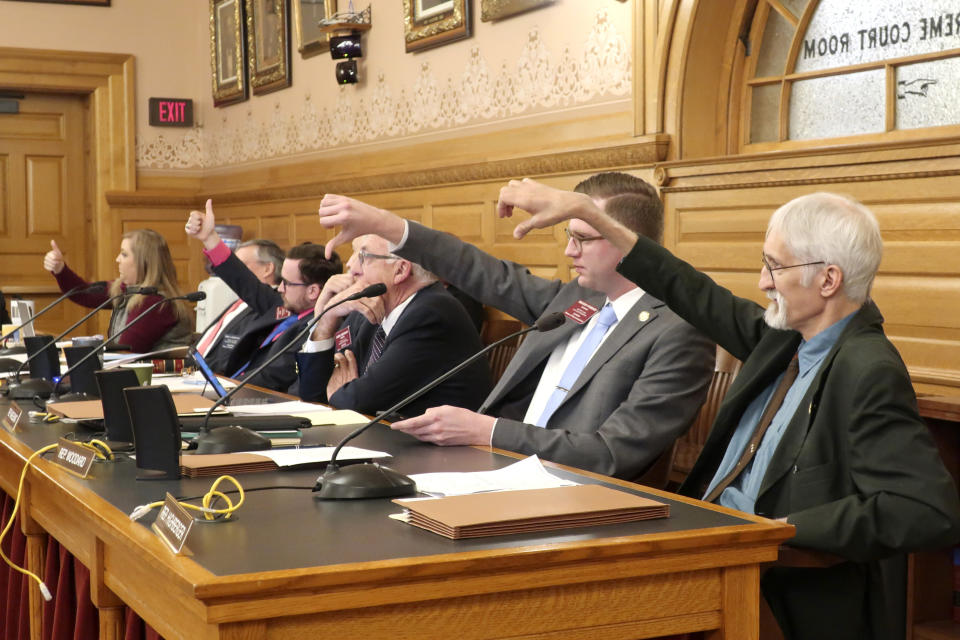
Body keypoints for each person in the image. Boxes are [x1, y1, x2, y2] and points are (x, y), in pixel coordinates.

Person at [493, 179, 960, 640]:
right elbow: (685, 287)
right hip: (703, 547)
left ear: (828, 279)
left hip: (772, 586)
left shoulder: (867, 368)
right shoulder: (782, 339)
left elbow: (924, 509)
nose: (762, 282)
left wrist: (777, 530)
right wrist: (594, 216)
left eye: (774, 267)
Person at [314, 172, 715, 481]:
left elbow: (610, 454)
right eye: (568, 235)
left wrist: (488, 431)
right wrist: (387, 226)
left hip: (573, 500)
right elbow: (481, 271)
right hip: (493, 473)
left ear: (631, 241)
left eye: (583, 238)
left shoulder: (677, 332)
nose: (568, 250)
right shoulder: (578, 298)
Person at [296, 233, 492, 418]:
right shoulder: (371, 309)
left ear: (400, 270)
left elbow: (355, 401)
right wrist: (327, 318)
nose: (351, 265)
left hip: (447, 451)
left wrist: (341, 392)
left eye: (364, 256)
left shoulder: (431, 313)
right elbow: (313, 394)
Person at [186, 201, 341, 392]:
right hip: (227, 386)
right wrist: (210, 238)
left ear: (313, 292)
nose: (280, 288)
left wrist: (226, 393)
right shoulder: (281, 303)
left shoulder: (320, 329)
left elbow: (274, 377)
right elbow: (242, 280)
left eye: (287, 283)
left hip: (253, 398)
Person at [43, 231, 193, 353]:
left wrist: (76, 350)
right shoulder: (126, 291)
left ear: (144, 262)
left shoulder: (156, 302)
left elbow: (125, 351)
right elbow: (84, 294)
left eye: (124, 254)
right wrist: (60, 270)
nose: (117, 259)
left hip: (164, 382)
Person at [193, 238, 286, 374]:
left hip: (217, 380)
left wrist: (209, 237)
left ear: (268, 268)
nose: (234, 271)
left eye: (240, 265)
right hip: (194, 372)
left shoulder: (272, 307)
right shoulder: (238, 304)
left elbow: (231, 357)